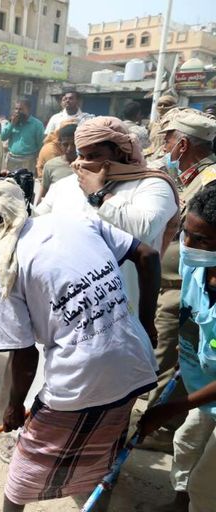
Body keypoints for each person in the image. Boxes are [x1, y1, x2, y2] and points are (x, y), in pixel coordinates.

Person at [0, 177, 160, 512]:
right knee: (104, 453)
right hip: (135, 364)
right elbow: (148, 255)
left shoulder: (4, 271)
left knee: (25, 469)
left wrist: (13, 406)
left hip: (78, 379)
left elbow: (24, 356)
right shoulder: (74, 219)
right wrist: (146, 322)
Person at [36, 116, 178, 311]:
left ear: (119, 152)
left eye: (94, 156)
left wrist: (99, 194)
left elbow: (144, 230)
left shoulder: (153, 185)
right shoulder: (65, 185)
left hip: (123, 306)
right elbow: (37, 225)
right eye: (82, 155)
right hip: (66, 304)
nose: (84, 164)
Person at [141, 111, 216, 454]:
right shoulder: (188, 177)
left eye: (168, 140)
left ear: (183, 144)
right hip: (173, 284)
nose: (164, 147)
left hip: (187, 287)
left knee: (166, 358)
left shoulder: (210, 182)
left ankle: (157, 426)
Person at [138, 184, 216, 512]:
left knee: (206, 484)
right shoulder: (195, 266)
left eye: (201, 240)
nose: (187, 245)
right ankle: (179, 503)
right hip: (205, 390)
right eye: (186, 233)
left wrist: (170, 407)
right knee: (185, 444)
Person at [0, 99, 44, 173]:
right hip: (12, 159)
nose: (17, 112)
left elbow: (40, 144)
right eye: (16, 109)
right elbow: (3, 137)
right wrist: (12, 124)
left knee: (25, 181)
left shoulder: (37, 124)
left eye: (20, 109)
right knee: (10, 182)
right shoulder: (12, 122)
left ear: (28, 109)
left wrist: (39, 161)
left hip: (28, 160)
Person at [39, 122, 78, 199]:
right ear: (60, 144)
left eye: (74, 144)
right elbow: (43, 195)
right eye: (65, 144)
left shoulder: (89, 166)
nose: (70, 149)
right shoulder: (51, 165)